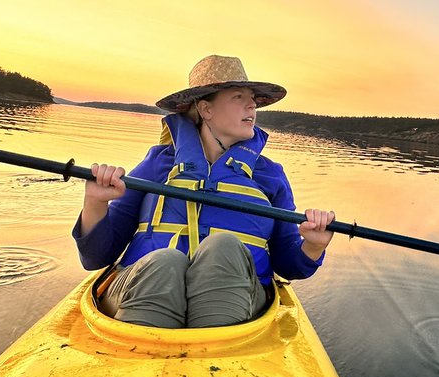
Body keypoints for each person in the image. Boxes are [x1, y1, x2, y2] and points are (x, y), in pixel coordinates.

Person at [73, 55, 335, 329]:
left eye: (253, 99)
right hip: (140, 290)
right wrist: (95, 202)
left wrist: (313, 245)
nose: (252, 104)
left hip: (240, 303)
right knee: (165, 262)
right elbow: (95, 258)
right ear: (206, 109)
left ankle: (214, 355)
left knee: (223, 247)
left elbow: (289, 265)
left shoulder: (270, 175)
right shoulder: (158, 164)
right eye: (238, 96)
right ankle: (142, 354)